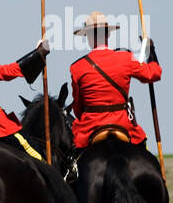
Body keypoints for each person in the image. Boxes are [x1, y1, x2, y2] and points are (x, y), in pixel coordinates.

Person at [68, 10, 161, 151]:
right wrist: (150, 50)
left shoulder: (77, 67)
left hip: (90, 128)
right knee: (146, 155)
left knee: (72, 162)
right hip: (124, 125)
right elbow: (154, 74)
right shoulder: (126, 58)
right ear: (108, 33)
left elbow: (78, 108)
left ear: (88, 36)